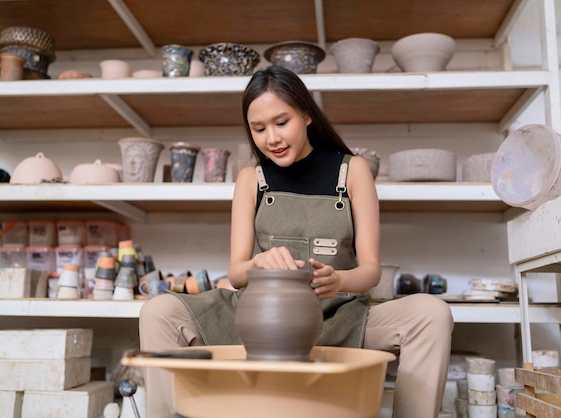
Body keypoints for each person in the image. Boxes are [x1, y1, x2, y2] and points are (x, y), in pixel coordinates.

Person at [139, 65, 453, 418]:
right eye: (258, 129)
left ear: (306, 114)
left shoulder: (352, 172)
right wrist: (257, 263)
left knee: (431, 313)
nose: (271, 138)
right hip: (263, 314)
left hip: (338, 316)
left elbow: (371, 270)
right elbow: (237, 271)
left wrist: (339, 280)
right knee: (158, 312)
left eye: (281, 122)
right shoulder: (251, 180)